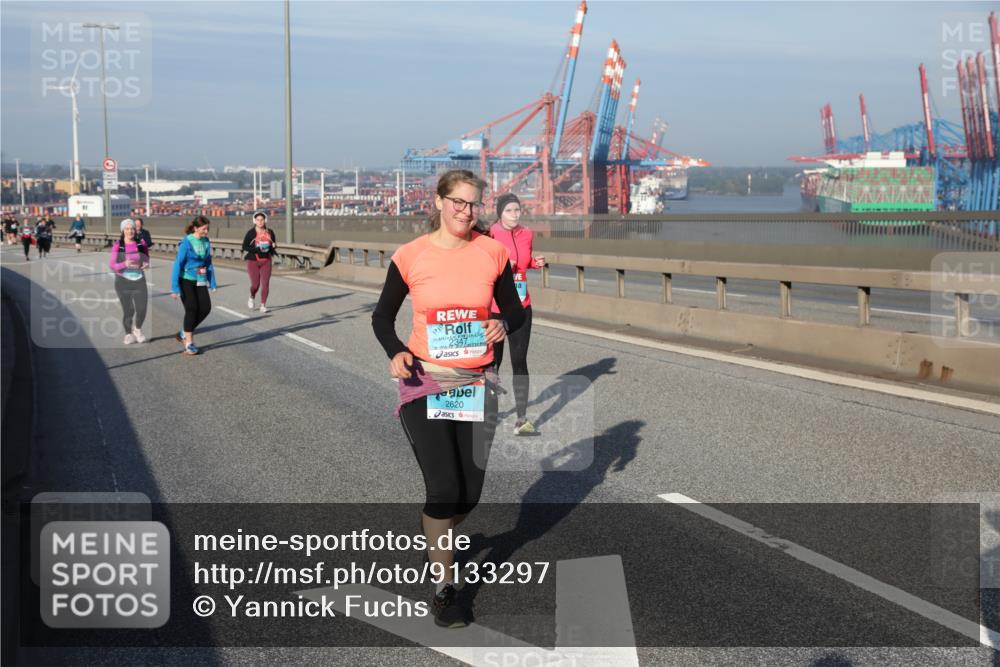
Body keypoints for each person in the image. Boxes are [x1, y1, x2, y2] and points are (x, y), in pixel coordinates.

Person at [371, 169, 525, 628]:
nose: (466, 211)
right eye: (458, 202)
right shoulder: (411, 256)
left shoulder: (492, 252)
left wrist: (502, 324)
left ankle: (436, 533)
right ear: (438, 202)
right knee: (443, 489)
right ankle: (445, 586)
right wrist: (396, 351)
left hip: (475, 381)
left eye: (474, 204)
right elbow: (382, 317)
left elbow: (514, 310)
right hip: (427, 382)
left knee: (469, 495)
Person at [488, 194, 546, 435]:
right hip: (495, 309)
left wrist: (534, 262)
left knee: (520, 361)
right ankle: (488, 415)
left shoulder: (527, 234)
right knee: (493, 363)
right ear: (500, 212)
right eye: (510, 210)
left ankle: (522, 420)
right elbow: (481, 266)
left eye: (517, 210)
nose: (515, 214)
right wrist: (502, 264)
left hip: (521, 306)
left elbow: (524, 262)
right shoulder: (489, 235)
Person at [170, 215, 216, 355]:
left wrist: (212, 282)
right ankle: (189, 344)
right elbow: (178, 264)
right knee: (192, 308)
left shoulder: (206, 241)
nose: (206, 231)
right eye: (204, 229)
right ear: (196, 228)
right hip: (186, 279)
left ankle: (184, 332)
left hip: (200, 279)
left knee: (205, 308)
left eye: (207, 229)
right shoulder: (186, 243)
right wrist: (175, 287)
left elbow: (208, 263)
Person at [108, 219, 150, 344]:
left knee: (142, 308)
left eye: (132, 228)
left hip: (139, 279)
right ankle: (128, 334)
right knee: (129, 310)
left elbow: (146, 258)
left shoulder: (141, 243)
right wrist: (124, 264)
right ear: (123, 231)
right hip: (122, 281)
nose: (130, 231)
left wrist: (146, 264)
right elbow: (112, 265)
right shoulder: (118, 245)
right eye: (126, 228)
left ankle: (137, 329)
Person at [242, 211, 277, 313]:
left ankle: (263, 305)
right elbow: (244, 246)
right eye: (258, 220)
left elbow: (273, 244)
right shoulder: (251, 233)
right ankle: (252, 296)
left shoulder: (270, 232)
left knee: (265, 284)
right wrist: (256, 249)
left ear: (265, 220)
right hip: (253, 260)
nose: (260, 222)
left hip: (266, 260)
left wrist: (273, 246)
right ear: (254, 221)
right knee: (255, 285)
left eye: (262, 220)